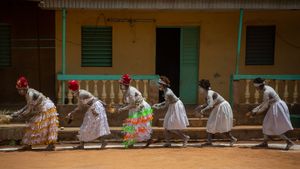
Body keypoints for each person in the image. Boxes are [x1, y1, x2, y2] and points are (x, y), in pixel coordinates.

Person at [12, 76, 59, 150]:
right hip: (41, 108)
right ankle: (28, 145)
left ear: (23, 89)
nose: (18, 92)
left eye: (19, 90)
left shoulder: (30, 94)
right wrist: (18, 112)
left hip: (47, 108)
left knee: (44, 126)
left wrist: (20, 115)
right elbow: (27, 106)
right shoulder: (28, 93)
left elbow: (29, 110)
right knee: (33, 126)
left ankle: (51, 145)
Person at [247, 78, 294, 150]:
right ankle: (265, 142)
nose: (256, 89)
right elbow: (264, 103)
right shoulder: (267, 88)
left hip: (277, 108)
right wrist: (254, 110)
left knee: (277, 127)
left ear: (260, 86)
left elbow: (265, 106)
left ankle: (289, 142)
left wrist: (255, 113)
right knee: (266, 123)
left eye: (256, 87)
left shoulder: (266, 92)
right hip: (275, 107)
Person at [67, 80, 111, 149]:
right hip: (93, 108)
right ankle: (82, 144)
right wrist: (72, 112)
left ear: (73, 89)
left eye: (71, 89)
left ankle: (103, 142)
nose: (71, 91)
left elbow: (82, 106)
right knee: (88, 125)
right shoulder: (79, 93)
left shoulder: (81, 94)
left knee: (95, 125)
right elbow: (81, 106)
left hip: (95, 108)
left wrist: (72, 113)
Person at [195, 79, 237, 146]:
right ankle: (209, 141)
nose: (199, 89)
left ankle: (232, 138)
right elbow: (208, 103)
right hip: (218, 107)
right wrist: (200, 106)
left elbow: (210, 105)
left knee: (222, 125)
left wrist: (202, 111)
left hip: (222, 107)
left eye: (200, 87)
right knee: (210, 124)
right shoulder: (207, 94)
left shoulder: (209, 94)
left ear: (203, 88)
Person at [152, 76, 190, 147]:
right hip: (172, 106)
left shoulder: (167, 93)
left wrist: (157, 107)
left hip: (176, 107)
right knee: (166, 125)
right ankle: (168, 142)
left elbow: (165, 106)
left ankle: (185, 137)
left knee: (171, 127)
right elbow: (167, 102)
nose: (158, 85)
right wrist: (158, 104)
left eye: (159, 84)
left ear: (163, 85)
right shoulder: (166, 90)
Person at [118, 74, 153, 148]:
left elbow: (133, 104)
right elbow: (130, 103)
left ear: (125, 84)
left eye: (121, 84)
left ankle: (146, 139)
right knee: (133, 125)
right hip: (136, 108)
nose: (120, 85)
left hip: (140, 108)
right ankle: (131, 142)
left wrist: (122, 109)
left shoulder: (130, 91)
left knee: (138, 125)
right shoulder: (128, 90)